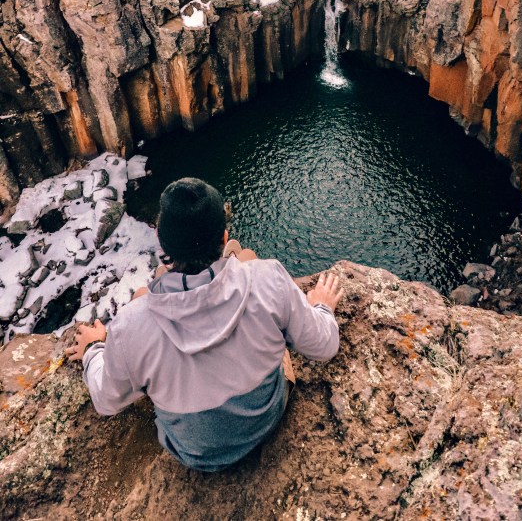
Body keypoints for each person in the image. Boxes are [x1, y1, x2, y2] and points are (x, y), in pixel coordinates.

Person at [66, 178, 343, 472]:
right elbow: (325, 345)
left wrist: (95, 348)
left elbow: (106, 400)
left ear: (161, 240)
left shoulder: (131, 327)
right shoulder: (269, 279)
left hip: (196, 453)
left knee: (144, 294)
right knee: (246, 257)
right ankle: (230, 258)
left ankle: (190, 271)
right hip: (265, 420)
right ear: (223, 237)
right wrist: (321, 305)